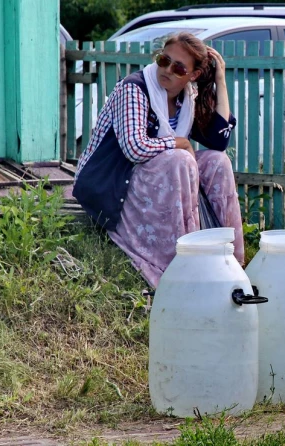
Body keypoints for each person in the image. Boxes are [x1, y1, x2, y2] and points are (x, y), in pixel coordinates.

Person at [73, 32, 243, 288]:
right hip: (112, 181)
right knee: (180, 160)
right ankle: (181, 267)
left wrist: (220, 79)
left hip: (153, 178)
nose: (167, 70)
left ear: (193, 75)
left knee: (218, 161)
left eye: (178, 67)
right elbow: (134, 148)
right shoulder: (134, 88)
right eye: (164, 60)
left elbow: (219, 141)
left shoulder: (187, 98)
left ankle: (230, 263)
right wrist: (181, 143)